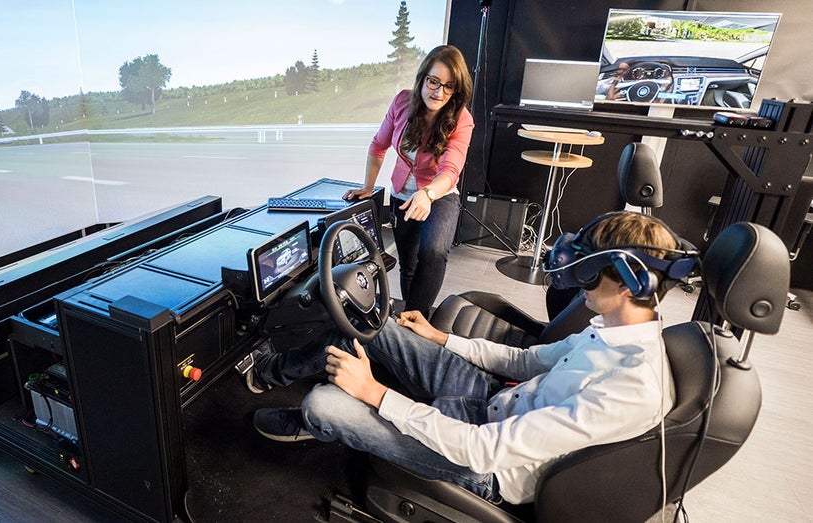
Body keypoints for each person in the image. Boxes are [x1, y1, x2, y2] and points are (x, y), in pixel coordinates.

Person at [247, 211, 692, 505]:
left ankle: (316, 424)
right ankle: (270, 372)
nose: (579, 280)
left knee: (322, 403)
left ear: (633, 285)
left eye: (590, 272)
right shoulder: (613, 331)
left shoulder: (632, 386)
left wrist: (375, 392)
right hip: (495, 398)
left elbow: (484, 451)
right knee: (376, 323)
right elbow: (526, 362)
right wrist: (442, 338)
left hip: (487, 464)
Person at [343, 44, 474, 316]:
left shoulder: (462, 120)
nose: (438, 92)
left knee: (434, 252)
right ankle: (410, 315)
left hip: (439, 195)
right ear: (422, 78)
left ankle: (416, 317)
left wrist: (427, 195)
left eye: (448, 87)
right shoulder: (402, 102)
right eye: (433, 81)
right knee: (409, 263)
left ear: (456, 90)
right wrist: (368, 188)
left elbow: (451, 169)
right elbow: (378, 145)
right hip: (403, 196)